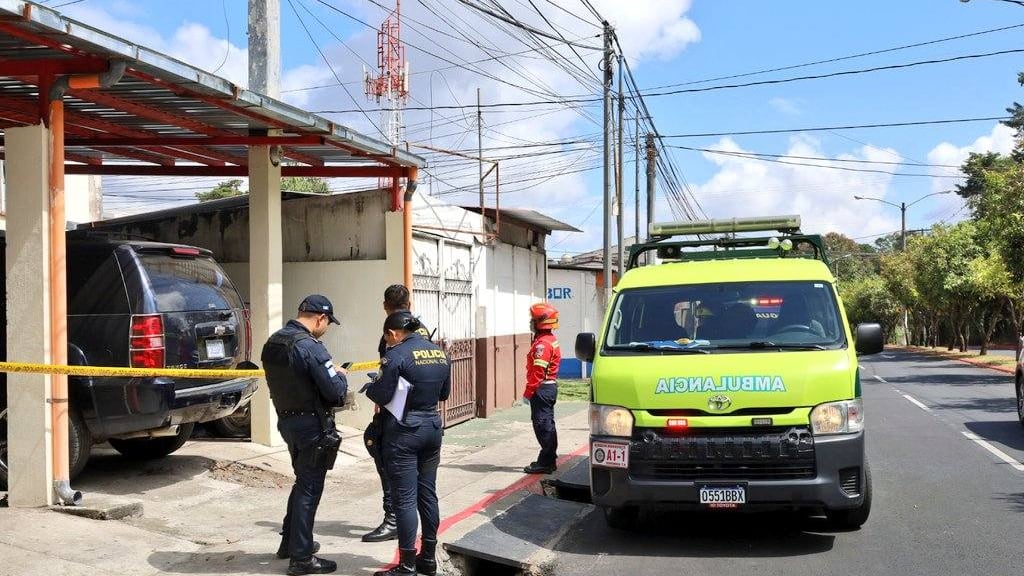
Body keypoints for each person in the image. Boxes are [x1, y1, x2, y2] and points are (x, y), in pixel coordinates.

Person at [261, 295, 348, 576]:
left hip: (288, 422)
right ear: (320, 318)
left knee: (302, 483)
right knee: (310, 488)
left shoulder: (273, 342)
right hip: (312, 427)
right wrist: (341, 375)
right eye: (327, 323)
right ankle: (301, 558)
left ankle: (291, 542)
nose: (326, 328)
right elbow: (335, 394)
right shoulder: (311, 348)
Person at [365, 310, 451, 576]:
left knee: (404, 498)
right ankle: (428, 558)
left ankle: (407, 565)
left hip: (404, 431)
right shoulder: (440, 353)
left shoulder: (396, 355)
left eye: (387, 337)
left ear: (392, 333)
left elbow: (382, 393)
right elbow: (444, 393)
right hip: (432, 428)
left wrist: (370, 388)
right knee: (428, 494)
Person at [362, 284, 431, 543]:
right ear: (409, 305)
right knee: (422, 476)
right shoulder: (421, 330)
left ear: (385, 307)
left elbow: (388, 373)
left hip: (397, 411)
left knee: (387, 462)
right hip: (424, 411)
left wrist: (377, 395)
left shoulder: (392, 333)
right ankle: (414, 522)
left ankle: (393, 518)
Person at [523, 303, 561, 475]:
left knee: (542, 425)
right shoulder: (549, 340)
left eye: (533, 320)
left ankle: (546, 462)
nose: (531, 323)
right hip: (548, 387)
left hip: (542, 389)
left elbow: (538, 371)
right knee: (547, 425)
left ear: (541, 322)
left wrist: (528, 392)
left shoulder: (542, 345)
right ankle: (549, 459)